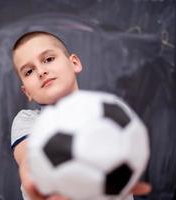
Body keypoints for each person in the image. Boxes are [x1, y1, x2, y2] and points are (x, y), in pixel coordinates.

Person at [10, 31, 151, 200]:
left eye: (48, 59)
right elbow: (28, 159)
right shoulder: (27, 120)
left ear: (74, 63)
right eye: (29, 71)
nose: (41, 71)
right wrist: (32, 177)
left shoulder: (110, 112)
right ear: (27, 92)